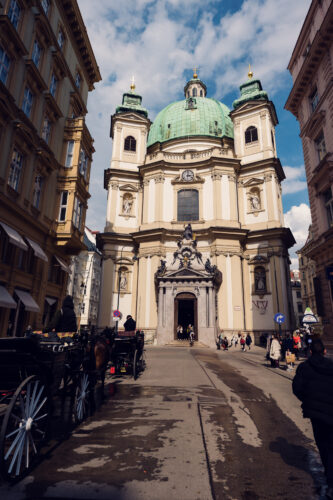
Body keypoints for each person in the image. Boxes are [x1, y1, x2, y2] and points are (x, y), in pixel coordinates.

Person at [292, 338, 333, 499]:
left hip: (317, 415)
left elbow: (297, 388)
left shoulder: (305, 367)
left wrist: (308, 401)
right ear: (324, 351)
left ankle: (331, 483)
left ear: (309, 352)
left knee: (324, 447)